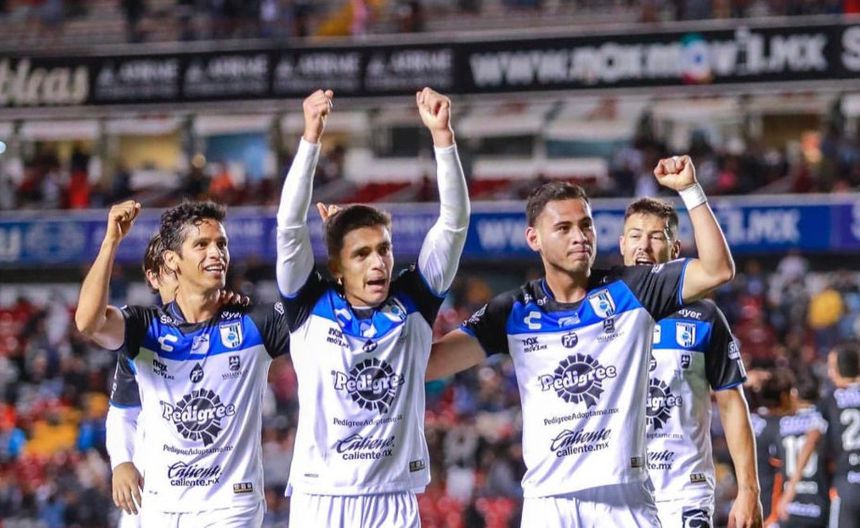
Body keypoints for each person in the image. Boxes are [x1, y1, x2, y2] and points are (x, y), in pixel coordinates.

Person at [427, 155, 736, 527]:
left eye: (585, 225)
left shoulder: (633, 288)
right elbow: (431, 363)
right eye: (564, 228)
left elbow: (718, 269)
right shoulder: (513, 310)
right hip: (549, 502)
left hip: (624, 496)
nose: (580, 236)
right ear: (534, 238)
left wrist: (690, 190)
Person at [274, 87, 469, 526]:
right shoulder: (308, 305)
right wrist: (311, 138)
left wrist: (443, 137)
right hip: (320, 498)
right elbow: (288, 227)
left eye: (384, 249)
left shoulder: (414, 300)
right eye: (361, 254)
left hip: (393, 498)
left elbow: (454, 224)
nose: (378, 262)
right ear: (337, 267)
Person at [75, 200, 289, 527]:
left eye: (221, 244)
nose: (216, 253)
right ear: (172, 260)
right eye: (202, 245)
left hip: (231, 506)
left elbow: (318, 316)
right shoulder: (144, 328)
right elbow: (88, 323)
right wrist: (111, 242)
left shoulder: (254, 321)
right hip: (160, 505)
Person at [617, 197, 761, 527]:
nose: (644, 246)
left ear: (675, 249)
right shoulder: (597, 313)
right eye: (636, 236)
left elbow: (731, 403)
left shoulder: (704, 317)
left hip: (684, 493)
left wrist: (748, 489)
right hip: (616, 498)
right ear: (623, 244)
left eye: (656, 237)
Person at [105, 232, 249, 525]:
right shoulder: (144, 335)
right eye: (172, 272)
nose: (181, 279)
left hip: (221, 494)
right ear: (154, 277)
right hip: (153, 489)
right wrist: (122, 461)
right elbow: (122, 412)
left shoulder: (231, 324)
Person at [778, 344, 860, 528]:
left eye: (831, 368)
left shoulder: (830, 401)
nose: (829, 374)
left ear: (838, 370)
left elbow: (812, 440)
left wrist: (790, 491)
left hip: (846, 484)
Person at [771, 374, 830, 527]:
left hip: (789, 505)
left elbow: (775, 462)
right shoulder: (824, 421)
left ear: (794, 394)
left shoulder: (782, 424)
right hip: (818, 503)